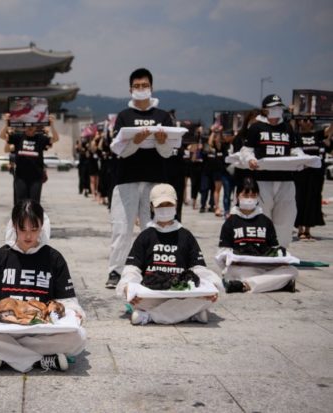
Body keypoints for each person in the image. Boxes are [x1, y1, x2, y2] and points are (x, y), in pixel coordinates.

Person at [0, 200, 86, 372]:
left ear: (42, 226)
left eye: (34, 230)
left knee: (78, 337)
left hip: (41, 329)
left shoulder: (54, 258)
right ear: (14, 226)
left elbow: (67, 300)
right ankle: (40, 360)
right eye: (23, 230)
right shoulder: (0, 257)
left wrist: (75, 313)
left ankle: (5, 355)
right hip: (6, 327)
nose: (28, 236)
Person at [106, 68, 174, 288]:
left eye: (145, 86)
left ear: (151, 88)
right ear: (130, 89)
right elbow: (120, 151)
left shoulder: (163, 116)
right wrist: (135, 140)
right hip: (127, 178)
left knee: (152, 227)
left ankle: (151, 268)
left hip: (155, 180)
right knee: (122, 228)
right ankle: (116, 271)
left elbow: (168, 153)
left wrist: (163, 141)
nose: (141, 89)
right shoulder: (124, 116)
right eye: (137, 86)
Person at [116, 184, 222, 325]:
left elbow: (199, 268)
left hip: (180, 293)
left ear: (176, 205)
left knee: (206, 298)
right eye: (160, 205)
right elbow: (132, 268)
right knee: (138, 299)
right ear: (152, 207)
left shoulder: (186, 235)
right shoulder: (145, 236)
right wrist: (127, 287)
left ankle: (148, 316)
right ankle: (189, 314)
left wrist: (212, 285)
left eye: (168, 204)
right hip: (152, 293)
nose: (165, 209)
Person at [239, 94, 302, 247]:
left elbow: (295, 149)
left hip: (286, 179)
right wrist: (249, 160)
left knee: (285, 217)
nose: (277, 110)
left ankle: (281, 249)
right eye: (273, 108)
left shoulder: (287, 127)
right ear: (265, 110)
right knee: (262, 215)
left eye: (279, 107)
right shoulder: (256, 127)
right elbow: (246, 150)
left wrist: (301, 159)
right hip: (262, 180)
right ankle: (261, 248)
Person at [218, 177, 298, 293]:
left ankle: (245, 285)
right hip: (242, 268)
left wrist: (281, 259)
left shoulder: (265, 221)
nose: (249, 199)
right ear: (237, 196)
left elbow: (274, 249)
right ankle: (277, 284)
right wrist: (230, 258)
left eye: (253, 195)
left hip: (264, 267)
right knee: (233, 272)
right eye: (245, 195)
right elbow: (222, 253)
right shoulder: (230, 222)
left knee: (292, 271)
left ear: (258, 196)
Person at [0, 114, 59, 204]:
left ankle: (33, 218)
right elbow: (2, 136)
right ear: (24, 126)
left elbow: (56, 139)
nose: (30, 127)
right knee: (21, 202)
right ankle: (21, 218)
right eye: (28, 125)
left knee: (34, 203)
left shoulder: (40, 138)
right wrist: (7, 124)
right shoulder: (18, 137)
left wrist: (52, 125)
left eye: (33, 125)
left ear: (36, 127)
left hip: (36, 177)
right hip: (20, 177)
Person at [294, 119, 332, 240]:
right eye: (305, 120)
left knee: (312, 201)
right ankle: (299, 229)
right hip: (300, 174)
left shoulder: (317, 135)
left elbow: (329, 131)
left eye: (310, 120)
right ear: (300, 122)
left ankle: (308, 230)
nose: (308, 122)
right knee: (299, 200)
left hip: (315, 175)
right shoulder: (296, 136)